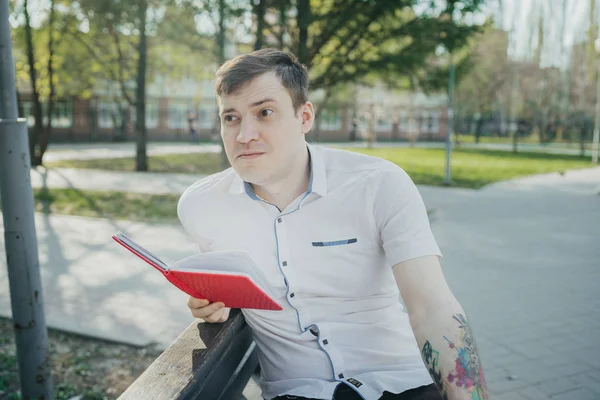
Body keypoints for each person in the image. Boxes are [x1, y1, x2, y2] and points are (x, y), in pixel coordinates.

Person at [177, 48, 488, 400]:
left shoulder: (379, 184)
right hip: (297, 392)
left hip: (402, 383)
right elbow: (225, 292)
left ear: (304, 116)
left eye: (265, 113)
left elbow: (432, 307)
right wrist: (213, 305)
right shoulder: (201, 206)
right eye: (230, 118)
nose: (244, 134)